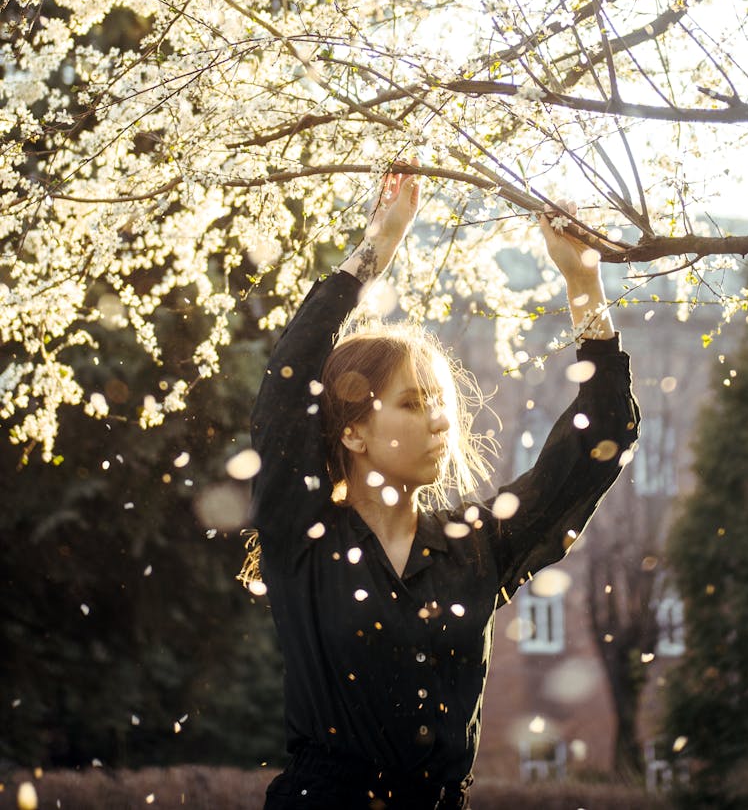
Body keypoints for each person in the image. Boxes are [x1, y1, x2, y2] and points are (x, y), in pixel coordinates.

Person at [247, 164, 640, 810]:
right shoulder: (303, 535)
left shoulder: (477, 546)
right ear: (353, 432)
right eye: (410, 402)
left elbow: (597, 447)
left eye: (439, 400)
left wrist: (583, 283)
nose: (438, 418)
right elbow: (285, 389)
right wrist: (375, 250)